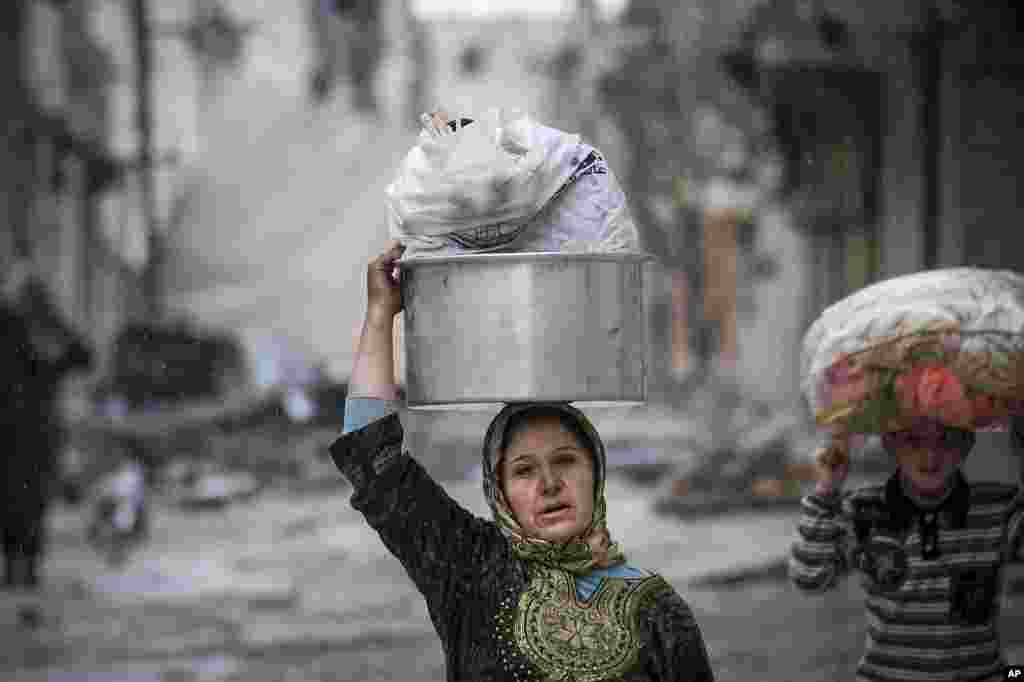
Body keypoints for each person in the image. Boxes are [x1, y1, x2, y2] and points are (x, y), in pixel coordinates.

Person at [329, 241, 715, 681]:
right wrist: (381, 313)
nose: (549, 483)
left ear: (596, 473)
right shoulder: (469, 569)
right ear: (500, 491)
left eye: (566, 461)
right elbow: (371, 454)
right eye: (524, 470)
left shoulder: (657, 610)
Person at [790, 418, 1024, 681]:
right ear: (889, 443)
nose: (930, 456)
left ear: (967, 442)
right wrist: (826, 490)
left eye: (946, 439)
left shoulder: (999, 506)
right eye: (912, 440)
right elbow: (810, 578)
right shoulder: (863, 510)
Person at [1, 259, 93, 599]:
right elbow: (81, 355)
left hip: (36, 430)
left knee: (28, 499)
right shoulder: (22, 326)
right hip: (24, 430)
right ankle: (20, 571)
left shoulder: (42, 326)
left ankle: (22, 571)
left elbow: (83, 356)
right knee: (22, 499)